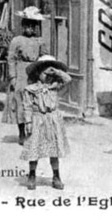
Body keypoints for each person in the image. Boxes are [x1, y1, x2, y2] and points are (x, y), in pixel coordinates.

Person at [21, 55, 72, 190]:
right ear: (38, 73)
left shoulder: (55, 86)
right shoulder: (30, 89)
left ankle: (56, 176)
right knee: (34, 148)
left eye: (51, 73)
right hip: (37, 118)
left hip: (53, 119)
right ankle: (32, 175)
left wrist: (57, 72)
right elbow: (27, 106)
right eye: (45, 73)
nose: (48, 76)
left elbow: (68, 79)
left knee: (54, 149)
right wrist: (28, 122)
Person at [3, 7, 48, 145]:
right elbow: (11, 59)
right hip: (21, 72)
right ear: (22, 26)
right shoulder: (16, 41)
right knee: (21, 103)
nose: (29, 29)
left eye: (32, 26)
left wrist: (44, 75)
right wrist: (13, 77)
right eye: (26, 25)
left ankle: (34, 132)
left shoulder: (40, 41)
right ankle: (22, 133)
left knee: (36, 103)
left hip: (34, 72)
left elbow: (45, 57)